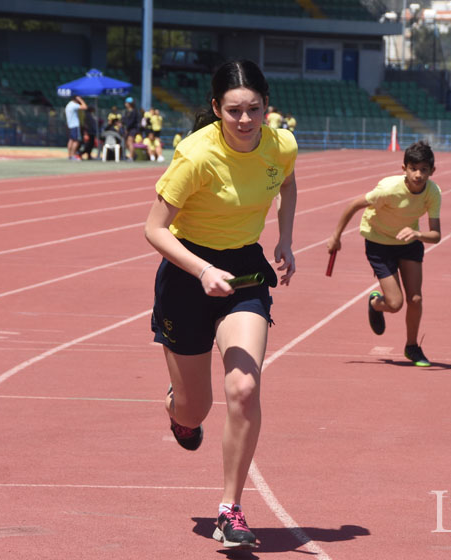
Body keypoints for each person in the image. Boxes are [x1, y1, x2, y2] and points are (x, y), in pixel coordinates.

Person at [144, 59, 298, 547]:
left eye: (255, 109)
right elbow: (153, 229)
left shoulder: (282, 144)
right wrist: (202, 269)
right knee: (196, 410)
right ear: (216, 109)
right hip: (190, 273)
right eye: (234, 111)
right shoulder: (194, 156)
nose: (246, 120)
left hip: (247, 273)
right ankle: (177, 409)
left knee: (244, 388)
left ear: (267, 106)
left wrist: (286, 239)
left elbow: (287, 183)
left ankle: (230, 510)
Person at [327, 140, 441, 367]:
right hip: (379, 242)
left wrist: (418, 235)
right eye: (413, 168)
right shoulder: (388, 189)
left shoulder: (433, 192)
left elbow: (436, 235)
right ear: (404, 169)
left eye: (424, 170)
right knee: (396, 303)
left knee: (415, 298)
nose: (418, 174)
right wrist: (336, 236)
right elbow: (354, 204)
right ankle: (376, 304)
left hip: (409, 241)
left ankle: (412, 347)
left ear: (431, 171)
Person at [64, 95, 87, 160]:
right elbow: (85, 107)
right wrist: (80, 100)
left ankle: (70, 155)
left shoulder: (68, 105)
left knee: (71, 140)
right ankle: (73, 155)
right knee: (76, 141)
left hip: (70, 125)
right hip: (75, 125)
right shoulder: (74, 105)